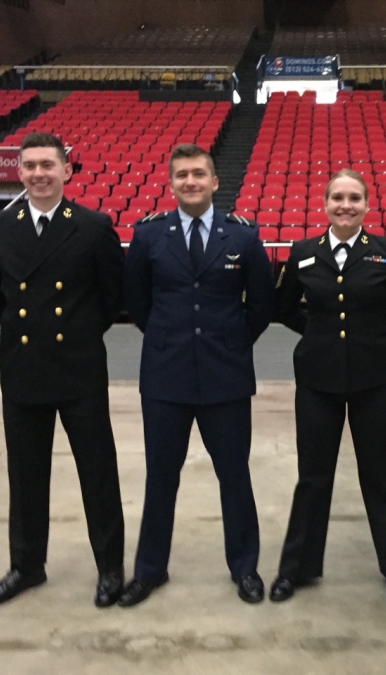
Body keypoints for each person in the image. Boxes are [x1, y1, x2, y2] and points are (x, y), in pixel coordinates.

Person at [0, 132, 126, 608]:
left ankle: (110, 568)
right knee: (26, 473)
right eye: (30, 166)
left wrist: (75, 331)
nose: (39, 173)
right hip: (22, 368)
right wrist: (27, 326)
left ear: (67, 171)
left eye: (48, 165)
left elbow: (113, 298)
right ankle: (26, 566)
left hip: (78, 368)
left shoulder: (94, 226)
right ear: (19, 173)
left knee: (97, 471)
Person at [270, 169, 386, 606]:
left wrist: (380, 336)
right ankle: (297, 570)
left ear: (367, 205)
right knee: (312, 477)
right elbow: (282, 308)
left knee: (381, 477)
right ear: (324, 204)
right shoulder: (304, 253)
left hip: (374, 379)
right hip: (317, 380)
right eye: (338, 198)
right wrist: (318, 334)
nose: (346, 205)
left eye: (355, 198)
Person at [120, 143, 275, 606]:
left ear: (214, 181)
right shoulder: (148, 236)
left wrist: (228, 340)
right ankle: (149, 570)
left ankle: (245, 568)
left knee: (235, 475)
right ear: (171, 183)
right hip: (165, 377)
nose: (190, 181)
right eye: (182, 175)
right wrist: (173, 338)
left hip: (225, 377)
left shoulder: (243, 235)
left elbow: (262, 306)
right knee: (160, 477)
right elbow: (138, 304)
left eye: (199, 174)